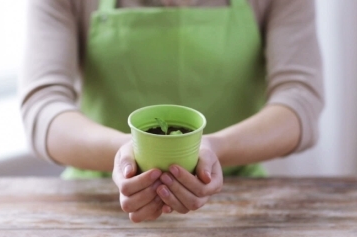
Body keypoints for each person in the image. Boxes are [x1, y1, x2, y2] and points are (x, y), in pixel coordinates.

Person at [19, 0, 324, 222]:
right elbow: (43, 105)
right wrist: (127, 155)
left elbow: (300, 99)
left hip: (238, 204)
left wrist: (215, 149)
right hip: (97, 203)